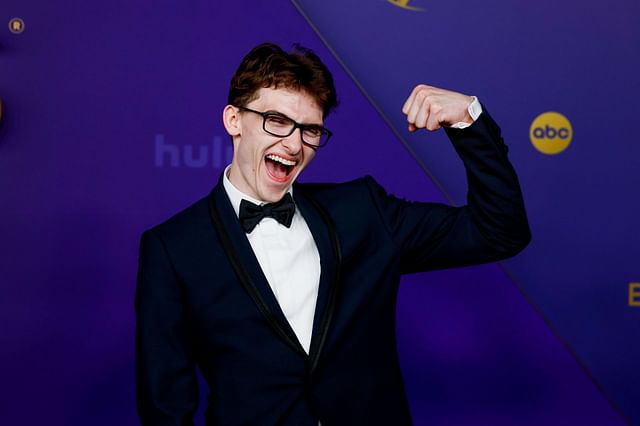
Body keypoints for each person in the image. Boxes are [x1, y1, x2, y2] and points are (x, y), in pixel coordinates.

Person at [135, 42, 531, 425]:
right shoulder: (173, 247)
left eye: (310, 130)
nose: (293, 144)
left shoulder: (362, 212)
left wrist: (468, 119)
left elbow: (499, 230)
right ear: (234, 120)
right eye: (277, 121)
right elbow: (165, 405)